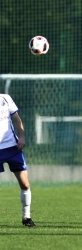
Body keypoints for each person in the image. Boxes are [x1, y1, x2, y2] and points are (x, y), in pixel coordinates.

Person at [0, 94, 36, 227]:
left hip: (13, 148)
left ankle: (26, 217)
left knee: (25, 184)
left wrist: (22, 137)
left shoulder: (5, 98)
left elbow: (17, 119)